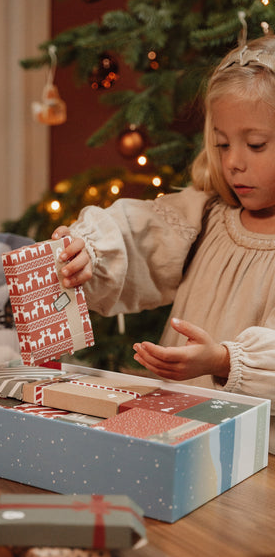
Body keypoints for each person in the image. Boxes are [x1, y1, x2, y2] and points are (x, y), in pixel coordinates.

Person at [52, 34, 275, 453]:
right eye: (223, 144)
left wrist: (224, 361)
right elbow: (135, 234)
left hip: (252, 453)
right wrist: (87, 251)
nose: (233, 162)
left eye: (255, 145)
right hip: (166, 435)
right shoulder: (206, 217)